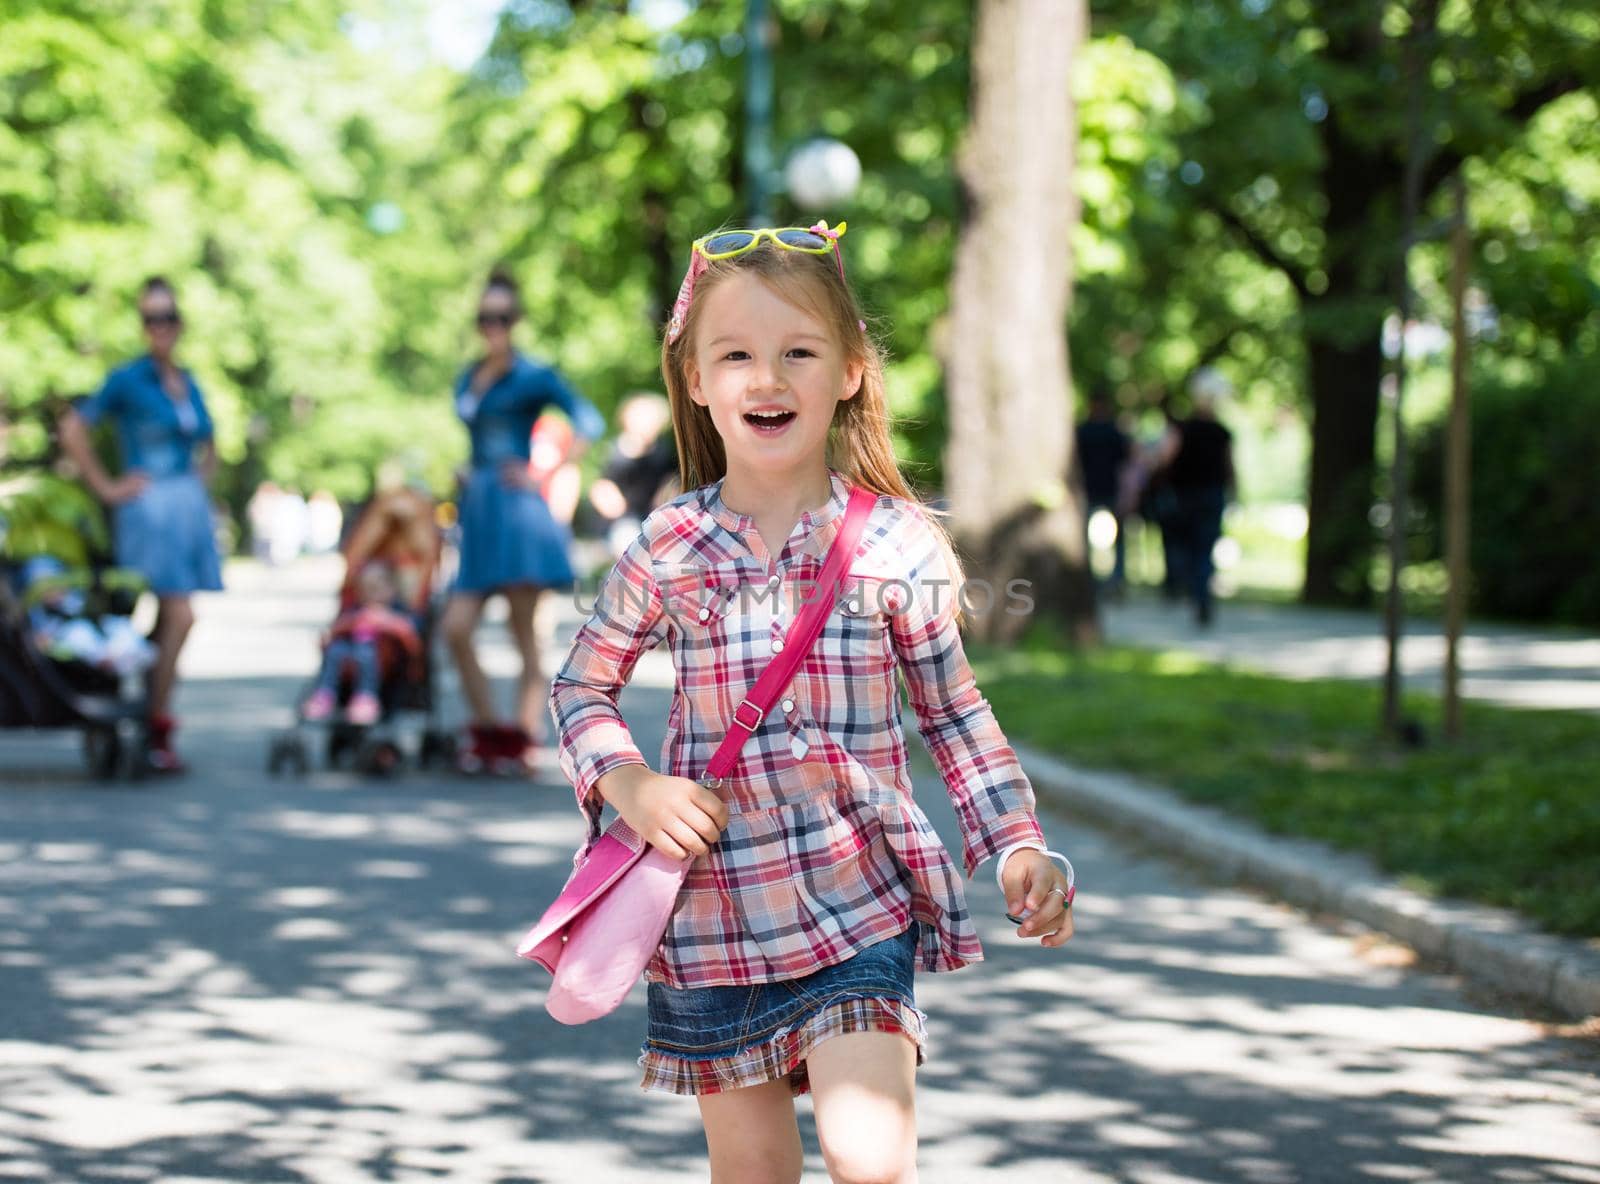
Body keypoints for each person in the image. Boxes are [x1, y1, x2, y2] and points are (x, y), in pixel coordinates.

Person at [548, 221, 1076, 1184]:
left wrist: (1015, 843)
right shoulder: (667, 545)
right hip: (711, 916)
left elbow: (955, 716)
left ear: (848, 371)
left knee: (868, 1160)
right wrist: (628, 784)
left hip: (857, 903)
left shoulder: (897, 544)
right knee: (753, 1174)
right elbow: (581, 684)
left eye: (799, 352)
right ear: (697, 381)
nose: (768, 378)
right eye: (737, 355)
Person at [442, 268, 606, 775]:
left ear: (515, 321)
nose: (493, 325)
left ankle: (522, 736)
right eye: (485, 317)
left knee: (522, 633)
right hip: (480, 512)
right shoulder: (469, 376)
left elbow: (589, 421)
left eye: (503, 317)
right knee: (455, 628)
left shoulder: (533, 375)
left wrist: (545, 471)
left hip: (518, 513)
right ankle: (492, 730)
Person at [57, 276, 223, 772]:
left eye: (167, 317)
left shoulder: (187, 381)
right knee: (177, 614)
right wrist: (106, 486)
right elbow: (73, 429)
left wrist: (200, 484)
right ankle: (156, 721)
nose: (160, 327)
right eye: (151, 319)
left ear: (180, 323)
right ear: (142, 325)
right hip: (148, 510)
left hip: (186, 506)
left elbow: (210, 441)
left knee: (170, 617)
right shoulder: (127, 379)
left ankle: (150, 715)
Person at [302, 562, 421, 725]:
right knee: (335, 651)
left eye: (377, 588)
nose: (372, 595)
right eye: (367, 590)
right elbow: (336, 631)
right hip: (349, 657)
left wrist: (383, 621)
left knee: (366, 653)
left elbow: (410, 637)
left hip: (384, 664)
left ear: (392, 589)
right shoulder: (356, 610)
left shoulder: (400, 612)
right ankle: (325, 694)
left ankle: (366, 697)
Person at [1162, 367, 1236, 626]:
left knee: (1189, 547)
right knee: (1204, 549)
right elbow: (1230, 467)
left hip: (1187, 496)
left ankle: (1194, 591)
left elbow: (1165, 459)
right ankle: (1201, 594)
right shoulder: (1221, 432)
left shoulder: (1184, 429)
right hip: (1210, 495)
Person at [586, 390, 679, 561]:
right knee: (629, 539)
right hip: (622, 518)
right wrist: (609, 501)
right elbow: (601, 486)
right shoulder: (615, 452)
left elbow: (670, 482)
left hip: (652, 514)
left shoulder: (662, 451)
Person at [1074, 385, 1130, 594]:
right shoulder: (1114, 431)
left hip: (1095, 490)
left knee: (1089, 538)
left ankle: (1099, 580)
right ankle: (1116, 579)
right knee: (1118, 539)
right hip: (1107, 489)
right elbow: (1126, 462)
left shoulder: (1083, 431)